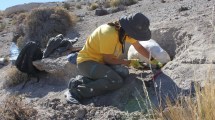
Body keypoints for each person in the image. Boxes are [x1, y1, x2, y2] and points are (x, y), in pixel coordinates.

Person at [65, 12, 152, 104]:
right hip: (87, 62)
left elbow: (138, 47)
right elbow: (108, 59)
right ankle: (76, 92)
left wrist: (153, 61)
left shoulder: (125, 32)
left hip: (101, 63)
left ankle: (79, 81)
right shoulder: (109, 33)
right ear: (130, 30)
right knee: (116, 81)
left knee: (123, 72)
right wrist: (130, 62)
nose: (135, 37)